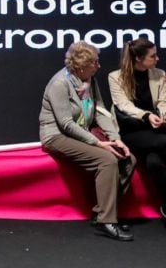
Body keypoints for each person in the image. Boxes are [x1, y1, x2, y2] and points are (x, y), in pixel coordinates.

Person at [39, 41, 136, 241]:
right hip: (57, 135)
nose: (99, 66)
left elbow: (100, 111)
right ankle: (106, 221)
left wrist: (116, 139)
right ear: (82, 66)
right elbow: (65, 123)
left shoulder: (90, 79)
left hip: (83, 131)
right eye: (95, 62)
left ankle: (101, 212)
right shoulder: (60, 83)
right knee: (107, 160)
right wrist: (97, 143)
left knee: (128, 158)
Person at [107, 39, 166, 238]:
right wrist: (146, 116)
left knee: (155, 163)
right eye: (153, 56)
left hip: (156, 131)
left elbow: (165, 102)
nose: (158, 58)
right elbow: (123, 105)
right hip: (131, 131)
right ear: (138, 58)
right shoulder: (115, 77)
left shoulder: (159, 75)